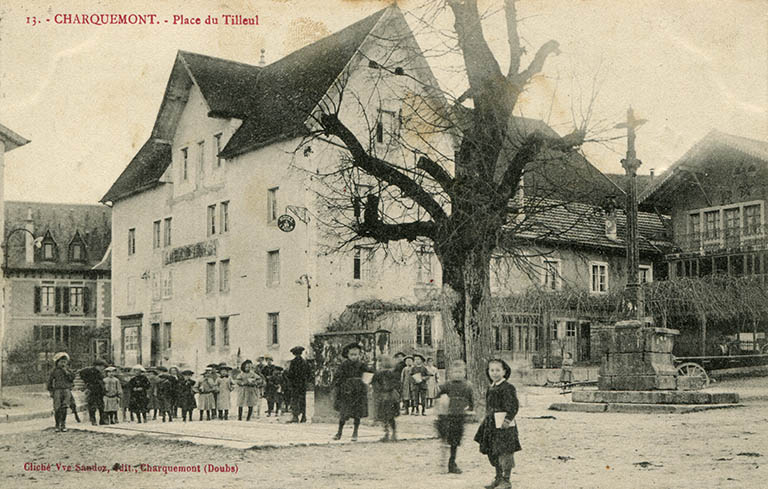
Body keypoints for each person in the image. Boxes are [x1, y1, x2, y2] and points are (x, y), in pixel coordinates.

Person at [474, 359, 522, 489]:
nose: (494, 373)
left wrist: (507, 420)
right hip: (491, 425)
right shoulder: (491, 387)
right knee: (493, 451)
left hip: (504, 426)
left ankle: (506, 480)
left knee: (505, 452)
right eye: (492, 370)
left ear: (504, 371)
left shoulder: (508, 387)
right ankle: (498, 477)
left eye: (498, 370)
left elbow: (513, 406)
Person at [435, 360, 474, 474]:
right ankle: (443, 462)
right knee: (445, 439)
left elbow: (471, 400)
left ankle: (452, 462)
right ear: (451, 373)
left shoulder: (467, 386)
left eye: (460, 371)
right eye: (455, 372)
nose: (458, 374)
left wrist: (471, 409)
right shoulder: (447, 385)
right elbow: (438, 397)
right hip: (446, 416)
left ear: (464, 373)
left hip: (459, 416)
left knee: (455, 441)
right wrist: (441, 402)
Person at [332, 343, 371, 441]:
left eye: (356, 354)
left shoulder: (362, 365)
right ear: (348, 355)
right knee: (343, 413)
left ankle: (355, 433)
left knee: (357, 414)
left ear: (359, 355)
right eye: (352, 355)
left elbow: (368, 375)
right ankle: (339, 432)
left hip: (359, 392)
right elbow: (337, 377)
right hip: (347, 392)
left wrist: (365, 383)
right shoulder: (344, 365)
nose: (354, 357)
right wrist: (341, 385)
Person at [371, 355, 400, 442]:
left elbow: (376, 384)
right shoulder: (380, 374)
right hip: (387, 396)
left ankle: (390, 433)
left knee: (387, 416)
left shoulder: (385, 374)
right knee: (387, 417)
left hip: (387, 397)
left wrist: (380, 389)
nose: (379, 364)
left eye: (381, 362)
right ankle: (390, 433)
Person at [47, 352, 75, 432]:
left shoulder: (68, 371)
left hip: (66, 390)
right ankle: (57, 424)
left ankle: (63, 424)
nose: (63, 363)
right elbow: (49, 381)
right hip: (57, 390)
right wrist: (51, 391)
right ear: (57, 362)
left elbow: (72, 378)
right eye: (61, 362)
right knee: (57, 408)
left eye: (65, 362)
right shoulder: (54, 371)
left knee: (64, 407)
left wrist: (66, 372)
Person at [285, 346, 312, 423]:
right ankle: (304, 416)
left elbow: (290, 374)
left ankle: (295, 416)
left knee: (295, 400)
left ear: (294, 354)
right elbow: (309, 374)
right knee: (303, 400)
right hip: (303, 384)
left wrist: (290, 381)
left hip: (295, 385)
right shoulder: (305, 362)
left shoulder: (293, 362)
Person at [79, 358, 107, 425]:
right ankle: (93, 420)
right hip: (92, 391)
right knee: (92, 406)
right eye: (100, 366)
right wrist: (87, 382)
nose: (102, 368)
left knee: (101, 406)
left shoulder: (100, 373)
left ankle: (102, 420)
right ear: (96, 366)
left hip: (99, 391)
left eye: (103, 366)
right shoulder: (90, 371)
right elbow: (81, 373)